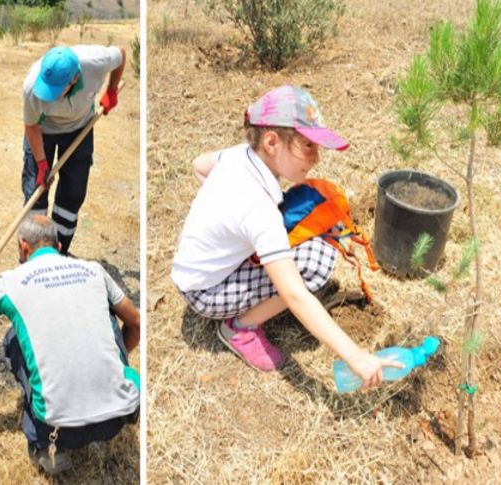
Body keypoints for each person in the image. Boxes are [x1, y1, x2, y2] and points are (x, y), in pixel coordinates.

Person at [172, 85, 402, 387]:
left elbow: (199, 166)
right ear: (271, 142)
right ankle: (240, 328)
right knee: (317, 262)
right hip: (205, 292)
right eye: (308, 146)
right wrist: (355, 356)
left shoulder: (238, 156)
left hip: (192, 272)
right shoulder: (257, 209)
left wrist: (229, 224)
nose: (316, 158)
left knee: (310, 244)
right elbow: (295, 294)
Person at [0, 215, 140, 475]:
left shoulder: (10, 282)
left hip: (57, 428)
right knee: (110, 319)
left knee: (14, 338)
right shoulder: (94, 271)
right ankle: (115, 392)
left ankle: (44, 447)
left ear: (23, 247)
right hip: (117, 418)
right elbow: (136, 324)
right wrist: (109, 363)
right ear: (58, 247)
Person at [21, 44, 125, 253]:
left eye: (55, 91)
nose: (47, 95)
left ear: (74, 79)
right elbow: (31, 126)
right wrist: (42, 164)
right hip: (43, 130)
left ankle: (59, 253)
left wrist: (111, 91)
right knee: (35, 193)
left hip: (80, 129)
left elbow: (121, 54)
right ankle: (31, 256)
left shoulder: (95, 62)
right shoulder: (32, 87)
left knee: (73, 193)